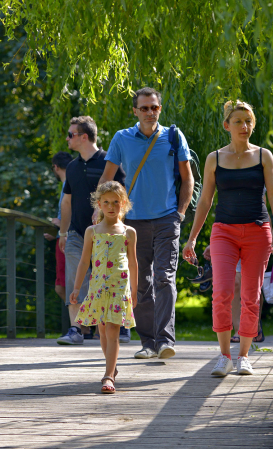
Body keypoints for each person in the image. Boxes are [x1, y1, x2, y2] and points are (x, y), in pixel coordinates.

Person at [183, 99, 273, 376]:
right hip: (224, 231)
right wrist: (192, 238)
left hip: (258, 231)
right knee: (222, 293)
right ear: (227, 125)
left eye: (249, 121)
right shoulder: (214, 158)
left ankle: (243, 357)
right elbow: (204, 201)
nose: (245, 126)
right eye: (238, 121)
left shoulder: (264, 156)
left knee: (251, 296)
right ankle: (224, 356)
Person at [98, 87, 194, 360]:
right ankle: (148, 342)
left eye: (154, 107)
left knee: (164, 278)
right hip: (133, 222)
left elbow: (188, 179)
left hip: (167, 219)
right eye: (144, 108)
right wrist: (103, 213)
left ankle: (165, 340)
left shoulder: (173, 137)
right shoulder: (122, 138)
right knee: (140, 283)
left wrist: (180, 212)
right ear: (135, 111)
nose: (150, 112)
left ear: (160, 109)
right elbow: (107, 181)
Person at [57, 116, 126, 345]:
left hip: (107, 233)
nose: (67, 138)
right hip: (77, 233)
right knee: (74, 278)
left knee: (109, 278)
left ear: (83, 136)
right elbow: (66, 202)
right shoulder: (72, 167)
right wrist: (64, 233)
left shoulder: (109, 162)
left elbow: (123, 197)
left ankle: (118, 325)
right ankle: (76, 328)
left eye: (70, 134)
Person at [71, 181, 138, 393]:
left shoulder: (129, 232)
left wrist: (134, 291)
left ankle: (108, 376)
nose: (111, 206)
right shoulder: (92, 231)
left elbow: (134, 263)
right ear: (99, 204)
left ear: (124, 204)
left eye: (115, 202)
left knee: (112, 330)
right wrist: (76, 288)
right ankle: (113, 365)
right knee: (102, 332)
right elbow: (83, 262)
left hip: (119, 289)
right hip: (98, 289)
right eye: (106, 202)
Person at [44, 151, 73, 303]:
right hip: (67, 238)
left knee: (62, 287)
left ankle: (82, 325)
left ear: (56, 167)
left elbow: (73, 217)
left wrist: (59, 224)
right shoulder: (74, 183)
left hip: (68, 242)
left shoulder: (67, 186)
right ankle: (83, 325)